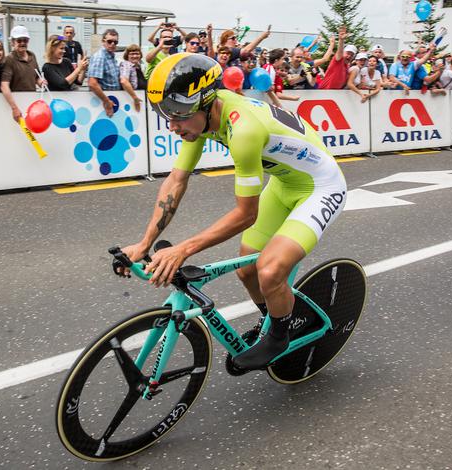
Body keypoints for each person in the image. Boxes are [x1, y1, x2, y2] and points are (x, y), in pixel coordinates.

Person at [120, 53, 347, 370]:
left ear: (204, 100)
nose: (172, 126)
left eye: (179, 115)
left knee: (269, 270)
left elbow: (246, 215)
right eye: (165, 114)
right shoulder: (202, 116)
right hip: (284, 184)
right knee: (246, 269)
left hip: (321, 187)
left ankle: (279, 335)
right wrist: (144, 244)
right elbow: (176, 181)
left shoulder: (243, 131)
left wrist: (183, 250)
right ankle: (276, 317)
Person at [1, 25, 46, 122]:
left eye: (25, 40)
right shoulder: (9, 59)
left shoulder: (32, 55)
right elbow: (4, 86)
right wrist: (14, 108)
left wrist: (41, 82)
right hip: (18, 103)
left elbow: (36, 77)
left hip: (32, 102)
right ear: (12, 42)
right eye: (19, 40)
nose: (22, 43)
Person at [87, 29, 122, 117]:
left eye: (115, 42)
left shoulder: (111, 56)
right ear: (103, 41)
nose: (112, 44)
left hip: (112, 100)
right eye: (109, 41)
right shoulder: (100, 57)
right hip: (103, 104)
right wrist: (106, 102)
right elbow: (92, 83)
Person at [319, 26, 356, 90]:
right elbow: (340, 52)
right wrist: (341, 40)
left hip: (335, 94)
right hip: (324, 91)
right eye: (348, 53)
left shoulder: (347, 66)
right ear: (344, 52)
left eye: (351, 55)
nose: (349, 56)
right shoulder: (338, 60)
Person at [119, 44, 146, 112]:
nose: (135, 56)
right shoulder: (127, 65)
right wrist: (135, 98)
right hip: (131, 102)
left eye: (137, 54)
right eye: (132, 54)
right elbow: (124, 81)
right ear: (127, 55)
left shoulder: (139, 66)